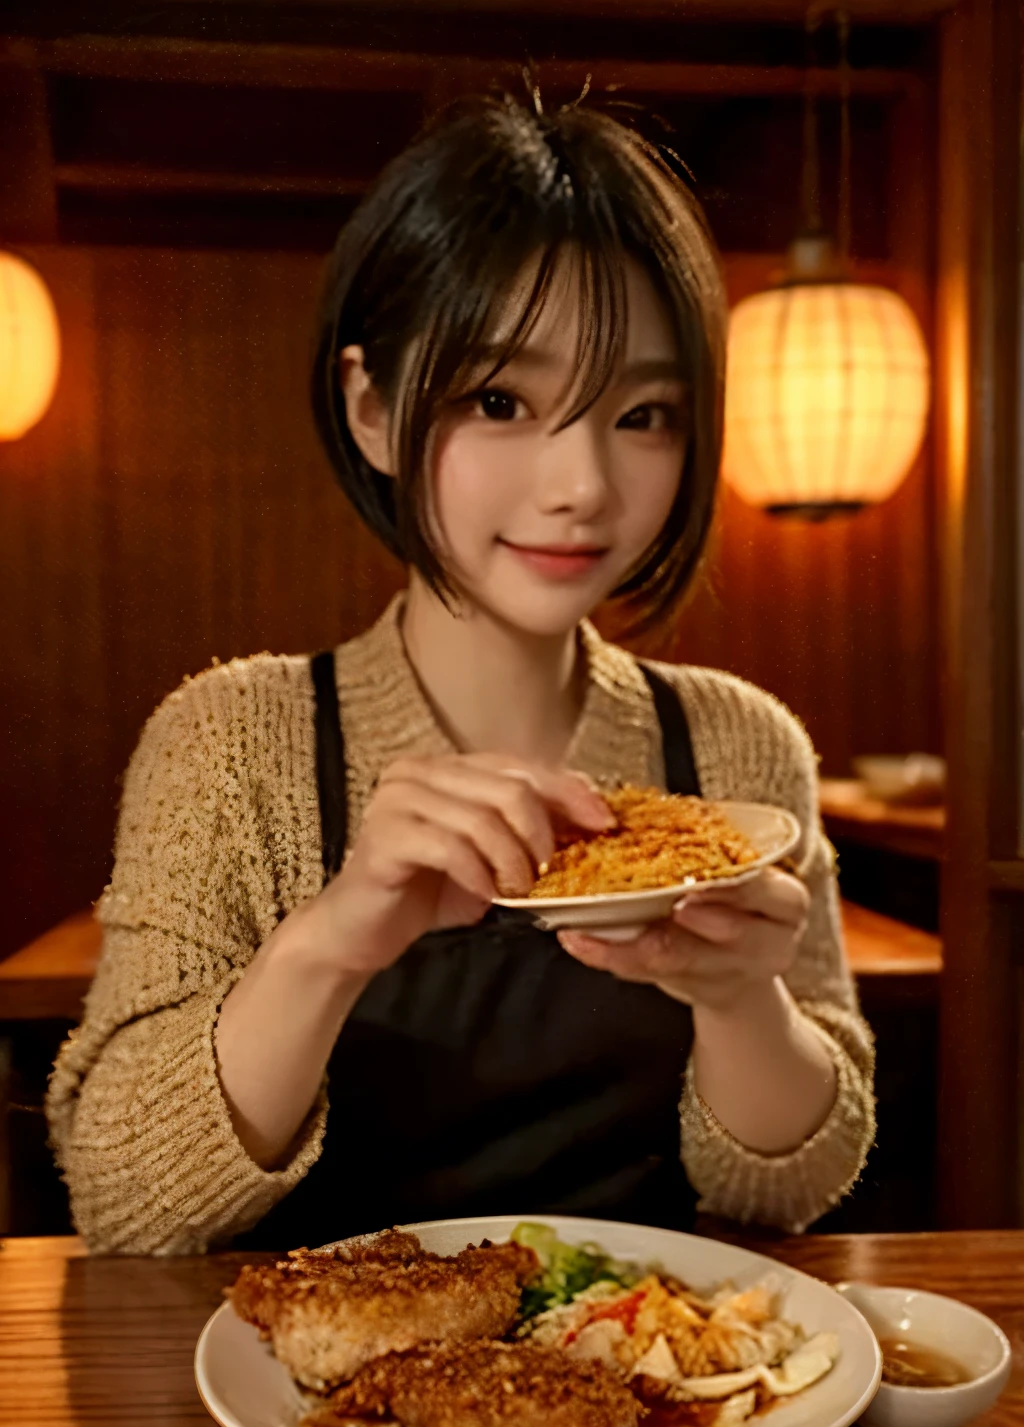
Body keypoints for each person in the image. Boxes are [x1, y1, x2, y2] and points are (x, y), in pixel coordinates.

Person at [47, 95, 875, 1255]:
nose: (582, 482)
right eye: (500, 402)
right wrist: (331, 937)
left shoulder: (738, 751)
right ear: (372, 407)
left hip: (652, 1381)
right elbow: (122, 1201)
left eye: (642, 414)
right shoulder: (234, 740)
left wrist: (743, 998)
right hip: (315, 1401)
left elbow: (792, 1190)